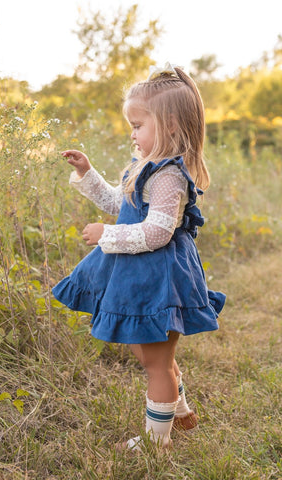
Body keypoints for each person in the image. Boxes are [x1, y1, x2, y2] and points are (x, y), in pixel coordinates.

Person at [52, 63, 226, 451]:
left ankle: (155, 443)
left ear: (171, 126)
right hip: (138, 276)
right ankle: (180, 415)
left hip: (160, 279)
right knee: (150, 353)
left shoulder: (168, 176)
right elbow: (121, 203)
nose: (132, 133)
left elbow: (157, 232)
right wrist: (88, 174)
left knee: (156, 362)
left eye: (137, 125)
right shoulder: (143, 167)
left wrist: (106, 236)